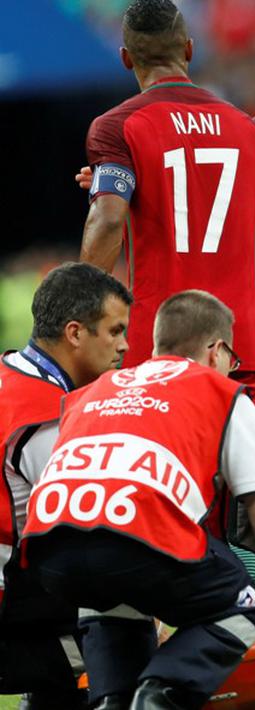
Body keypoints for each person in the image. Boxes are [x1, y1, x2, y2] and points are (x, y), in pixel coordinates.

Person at [22, 290, 255, 710]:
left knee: (119, 603)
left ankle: (115, 700)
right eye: (232, 362)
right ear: (217, 351)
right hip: (133, 538)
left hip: (51, 553)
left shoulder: (94, 391)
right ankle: (161, 694)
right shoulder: (222, 394)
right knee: (241, 605)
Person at [78, 0, 255, 419]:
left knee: (158, 479)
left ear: (126, 58)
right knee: (243, 482)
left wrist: (82, 317)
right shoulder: (249, 129)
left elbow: (109, 219)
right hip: (239, 347)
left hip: (156, 346)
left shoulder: (118, 127)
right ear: (189, 49)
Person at [0, 263, 131, 710]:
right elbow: (87, 535)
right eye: (114, 331)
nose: (125, 345)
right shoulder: (47, 417)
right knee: (119, 631)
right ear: (75, 333)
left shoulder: (7, 376)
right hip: (11, 612)